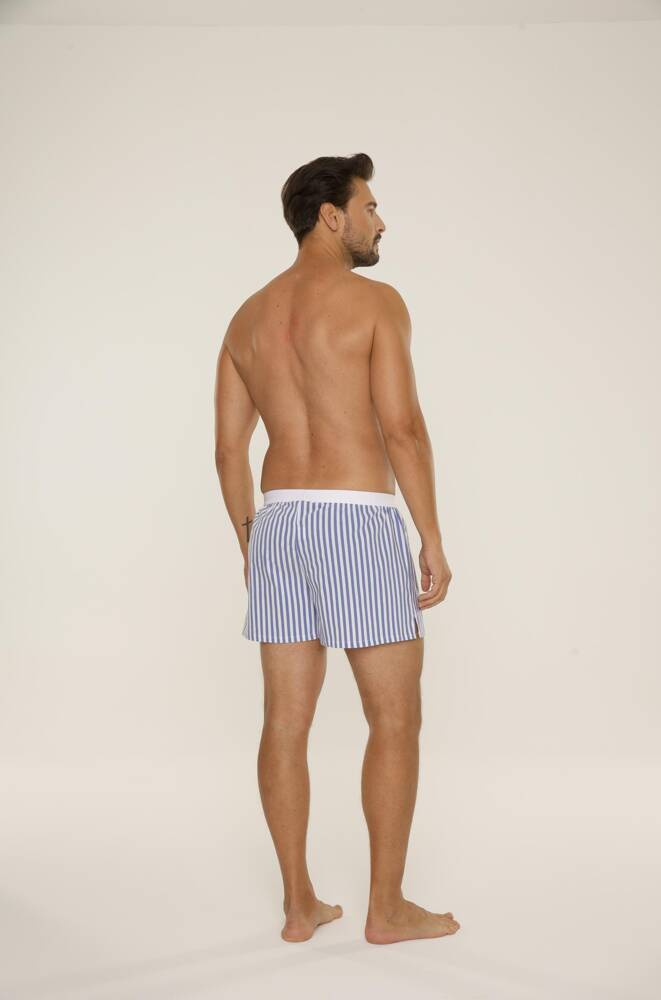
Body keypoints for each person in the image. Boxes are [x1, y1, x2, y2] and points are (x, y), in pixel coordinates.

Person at [214, 153, 458, 945]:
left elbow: (227, 451)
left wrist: (250, 539)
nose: (379, 222)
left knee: (284, 722)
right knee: (393, 718)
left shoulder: (246, 318)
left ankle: (298, 906)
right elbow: (402, 428)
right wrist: (430, 535)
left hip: (279, 519)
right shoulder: (375, 302)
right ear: (332, 216)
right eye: (370, 207)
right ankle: (386, 910)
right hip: (355, 517)